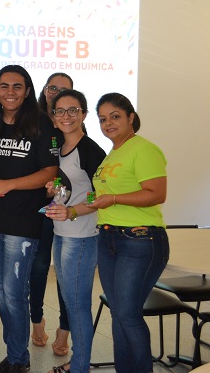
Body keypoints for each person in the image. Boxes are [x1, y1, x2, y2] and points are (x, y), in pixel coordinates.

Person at [0, 65, 59, 373]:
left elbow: (49, 173)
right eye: (4, 86)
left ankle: (17, 359)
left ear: (27, 91)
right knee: (0, 288)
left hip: (24, 222)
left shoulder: (42, 125)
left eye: (17, 86)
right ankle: (15, 354)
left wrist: (9, 185)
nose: (10, 92)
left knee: (14, 291)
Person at [87, 93, 168, 373]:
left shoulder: (144, 149)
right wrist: (70, 208)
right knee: (120, 314)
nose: (108, 123)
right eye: (102, 119)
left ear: (130, 117)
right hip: (108, 238)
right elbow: (103, 196)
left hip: (139, 239)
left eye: (115, 116)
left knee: (127, 314)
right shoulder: (113, 153)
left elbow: (157, 194)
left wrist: (115, 199)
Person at [42, 90, 106, 373]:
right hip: (62, 233)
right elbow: (73, 188)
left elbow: (100, 197)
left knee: (77, 306)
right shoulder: (58, 148)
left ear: (83, 114)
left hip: (81, 237)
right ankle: (78, 362)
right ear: (53, 117)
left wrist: (72, 211)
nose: (66, 116)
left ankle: (80, 366)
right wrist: (55, 192)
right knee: (71, 301)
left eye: (73, 110)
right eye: (60, 111)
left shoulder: (91, 150)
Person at [31, 72, 74, 355]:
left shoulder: (74, 128)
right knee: (38, 267)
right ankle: (36, 320)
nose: (57, 93)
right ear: (45, 90)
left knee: (66, 272)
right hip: (34, 209)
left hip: (67, 212)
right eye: (53, 88)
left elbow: (79, 175)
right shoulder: (31, 122)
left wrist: (59, 188)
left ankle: (64, 330)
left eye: (65, 90)